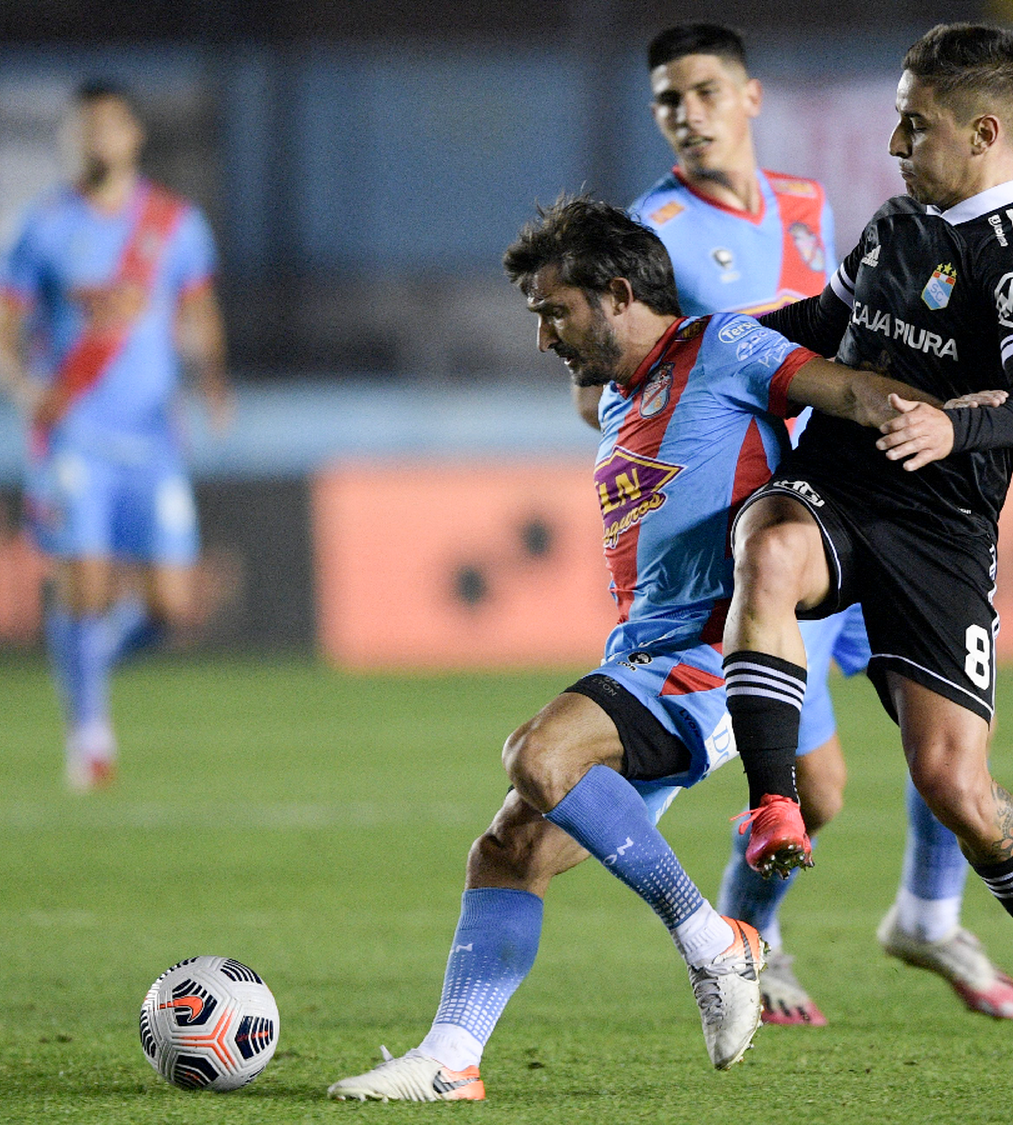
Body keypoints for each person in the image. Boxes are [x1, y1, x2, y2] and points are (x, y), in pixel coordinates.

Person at [328, 196, 962, 1103]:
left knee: (539, 751)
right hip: (644, 659)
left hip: (717, 658)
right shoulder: (624, 397)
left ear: (618, 292)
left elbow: (852, 390)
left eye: (555, 311)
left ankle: (718, 943)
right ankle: (453, 1059)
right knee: (507, 851)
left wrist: (965, 428)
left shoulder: (724, 348)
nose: (545, 338)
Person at [574, 21, 1013, 1025]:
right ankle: (754, 937)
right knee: (816, 790)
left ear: (750, 97)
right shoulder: (656, 230)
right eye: (666, 101)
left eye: (702, 92)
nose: (685, 115)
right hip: (776, 522)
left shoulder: (812, 205)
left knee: (951, 727)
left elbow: (842, 321)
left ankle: (929, 908)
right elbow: (621, 379)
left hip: (866, 496)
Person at [724, 24, 1013, 1062]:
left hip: (944, 528)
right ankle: (772, 805)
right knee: (768, 553)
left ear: (985, 130)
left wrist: (957, 424)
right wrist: (714, 345)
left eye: (917, 120)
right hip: (843, 478)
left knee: (958, 787)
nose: (896, 135)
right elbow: (830, 319)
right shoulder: (900, 222)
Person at [0, 81, 230, 791]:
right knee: (84, 581)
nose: (96, 140)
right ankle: (88, 732)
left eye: (109, 126)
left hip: (153, 437)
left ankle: (89, 657)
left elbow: (199, 309)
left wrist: (213, 377)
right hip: (76, 433)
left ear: (134, 135)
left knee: (172, 607)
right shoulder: (41, 226)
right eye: (82, 129)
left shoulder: (175, 224)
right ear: (68, 140)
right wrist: (26, 389)